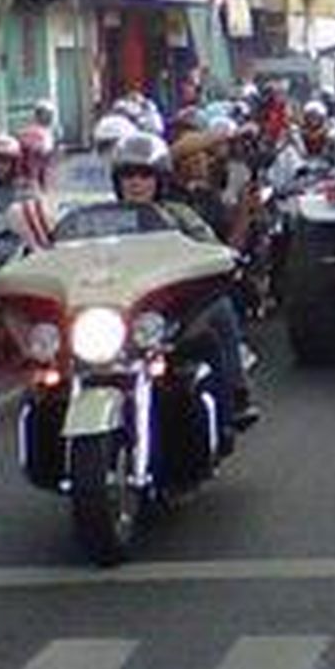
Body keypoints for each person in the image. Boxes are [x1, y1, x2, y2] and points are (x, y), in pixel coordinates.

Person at [110, 132, 257, 452]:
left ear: (159, 179)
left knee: (219, 307)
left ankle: (235, 393)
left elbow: (213, 251)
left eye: (144, 175)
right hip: (117, 312)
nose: (136, 183)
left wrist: (221, 258)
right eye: (128, 175)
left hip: (170, 311)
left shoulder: (180, 214)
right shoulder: (104, 220)